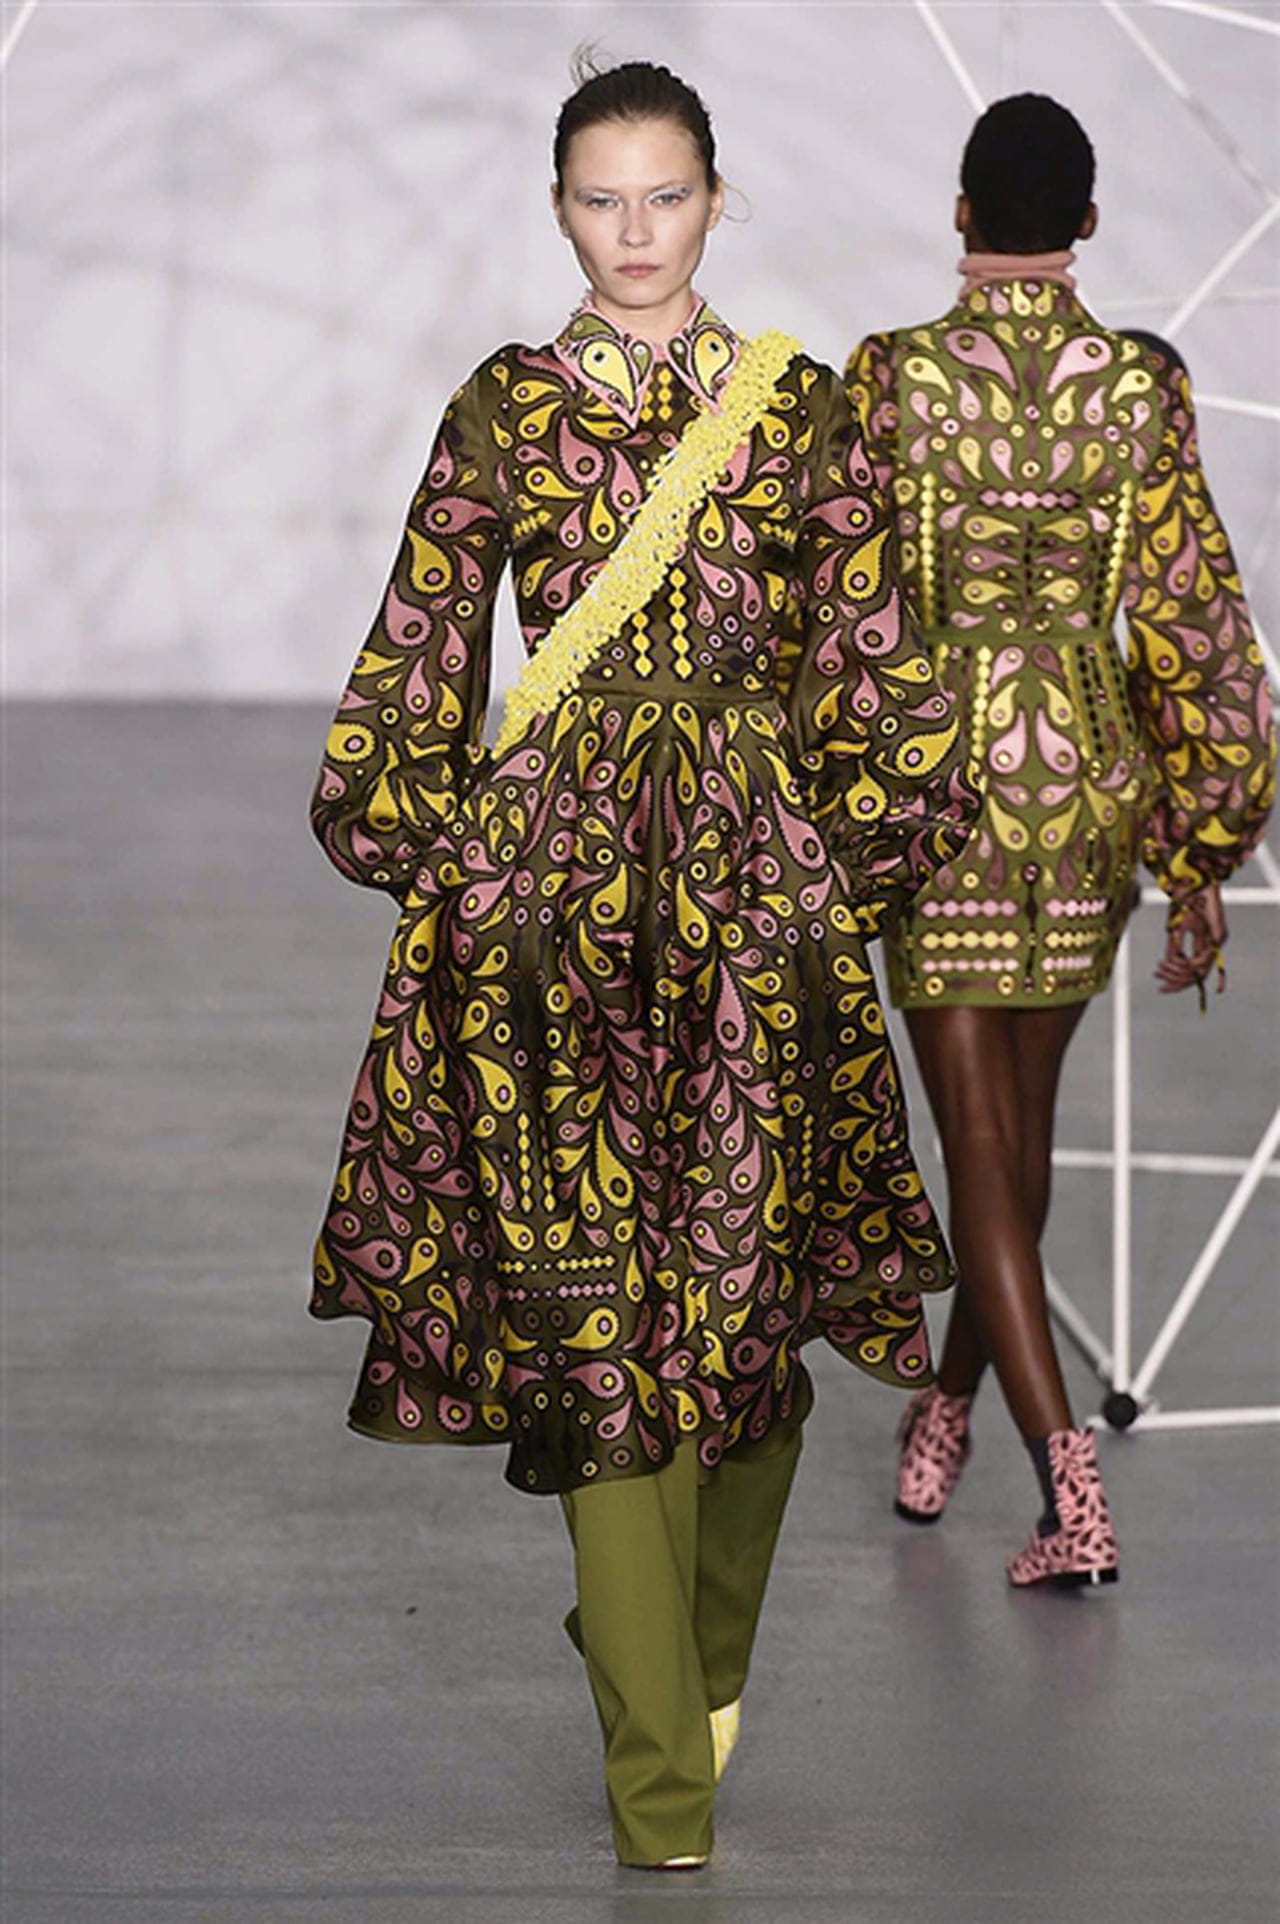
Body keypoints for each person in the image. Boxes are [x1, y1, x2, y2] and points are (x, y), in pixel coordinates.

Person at [309, 56, 979, 1870]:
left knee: (747, 1326)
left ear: (714, 199)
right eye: (599, 199)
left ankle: (686, 1661)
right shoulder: (506, 408)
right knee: (597, 1323)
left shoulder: (801, 407)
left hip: (756, 906)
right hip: (551, 913)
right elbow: (420, 641)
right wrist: (438, 850)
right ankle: (661, 1787)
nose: (633, 231)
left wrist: (849, 861)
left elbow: (876, 649)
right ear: (558, 210)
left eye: (663, 195)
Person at [845, 93, 1275, 1590]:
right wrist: (1202, 843)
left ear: (962, 213)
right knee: (1014, 1143)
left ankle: (1066, 1489)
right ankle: (947, 1409)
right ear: (1087, 224)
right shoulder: (1144, 385)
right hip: (1085, 781)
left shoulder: (890, 379)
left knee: (981, 1143)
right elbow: (1196, 617)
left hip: (942, 783)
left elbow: (846, 612)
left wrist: (818, 806)